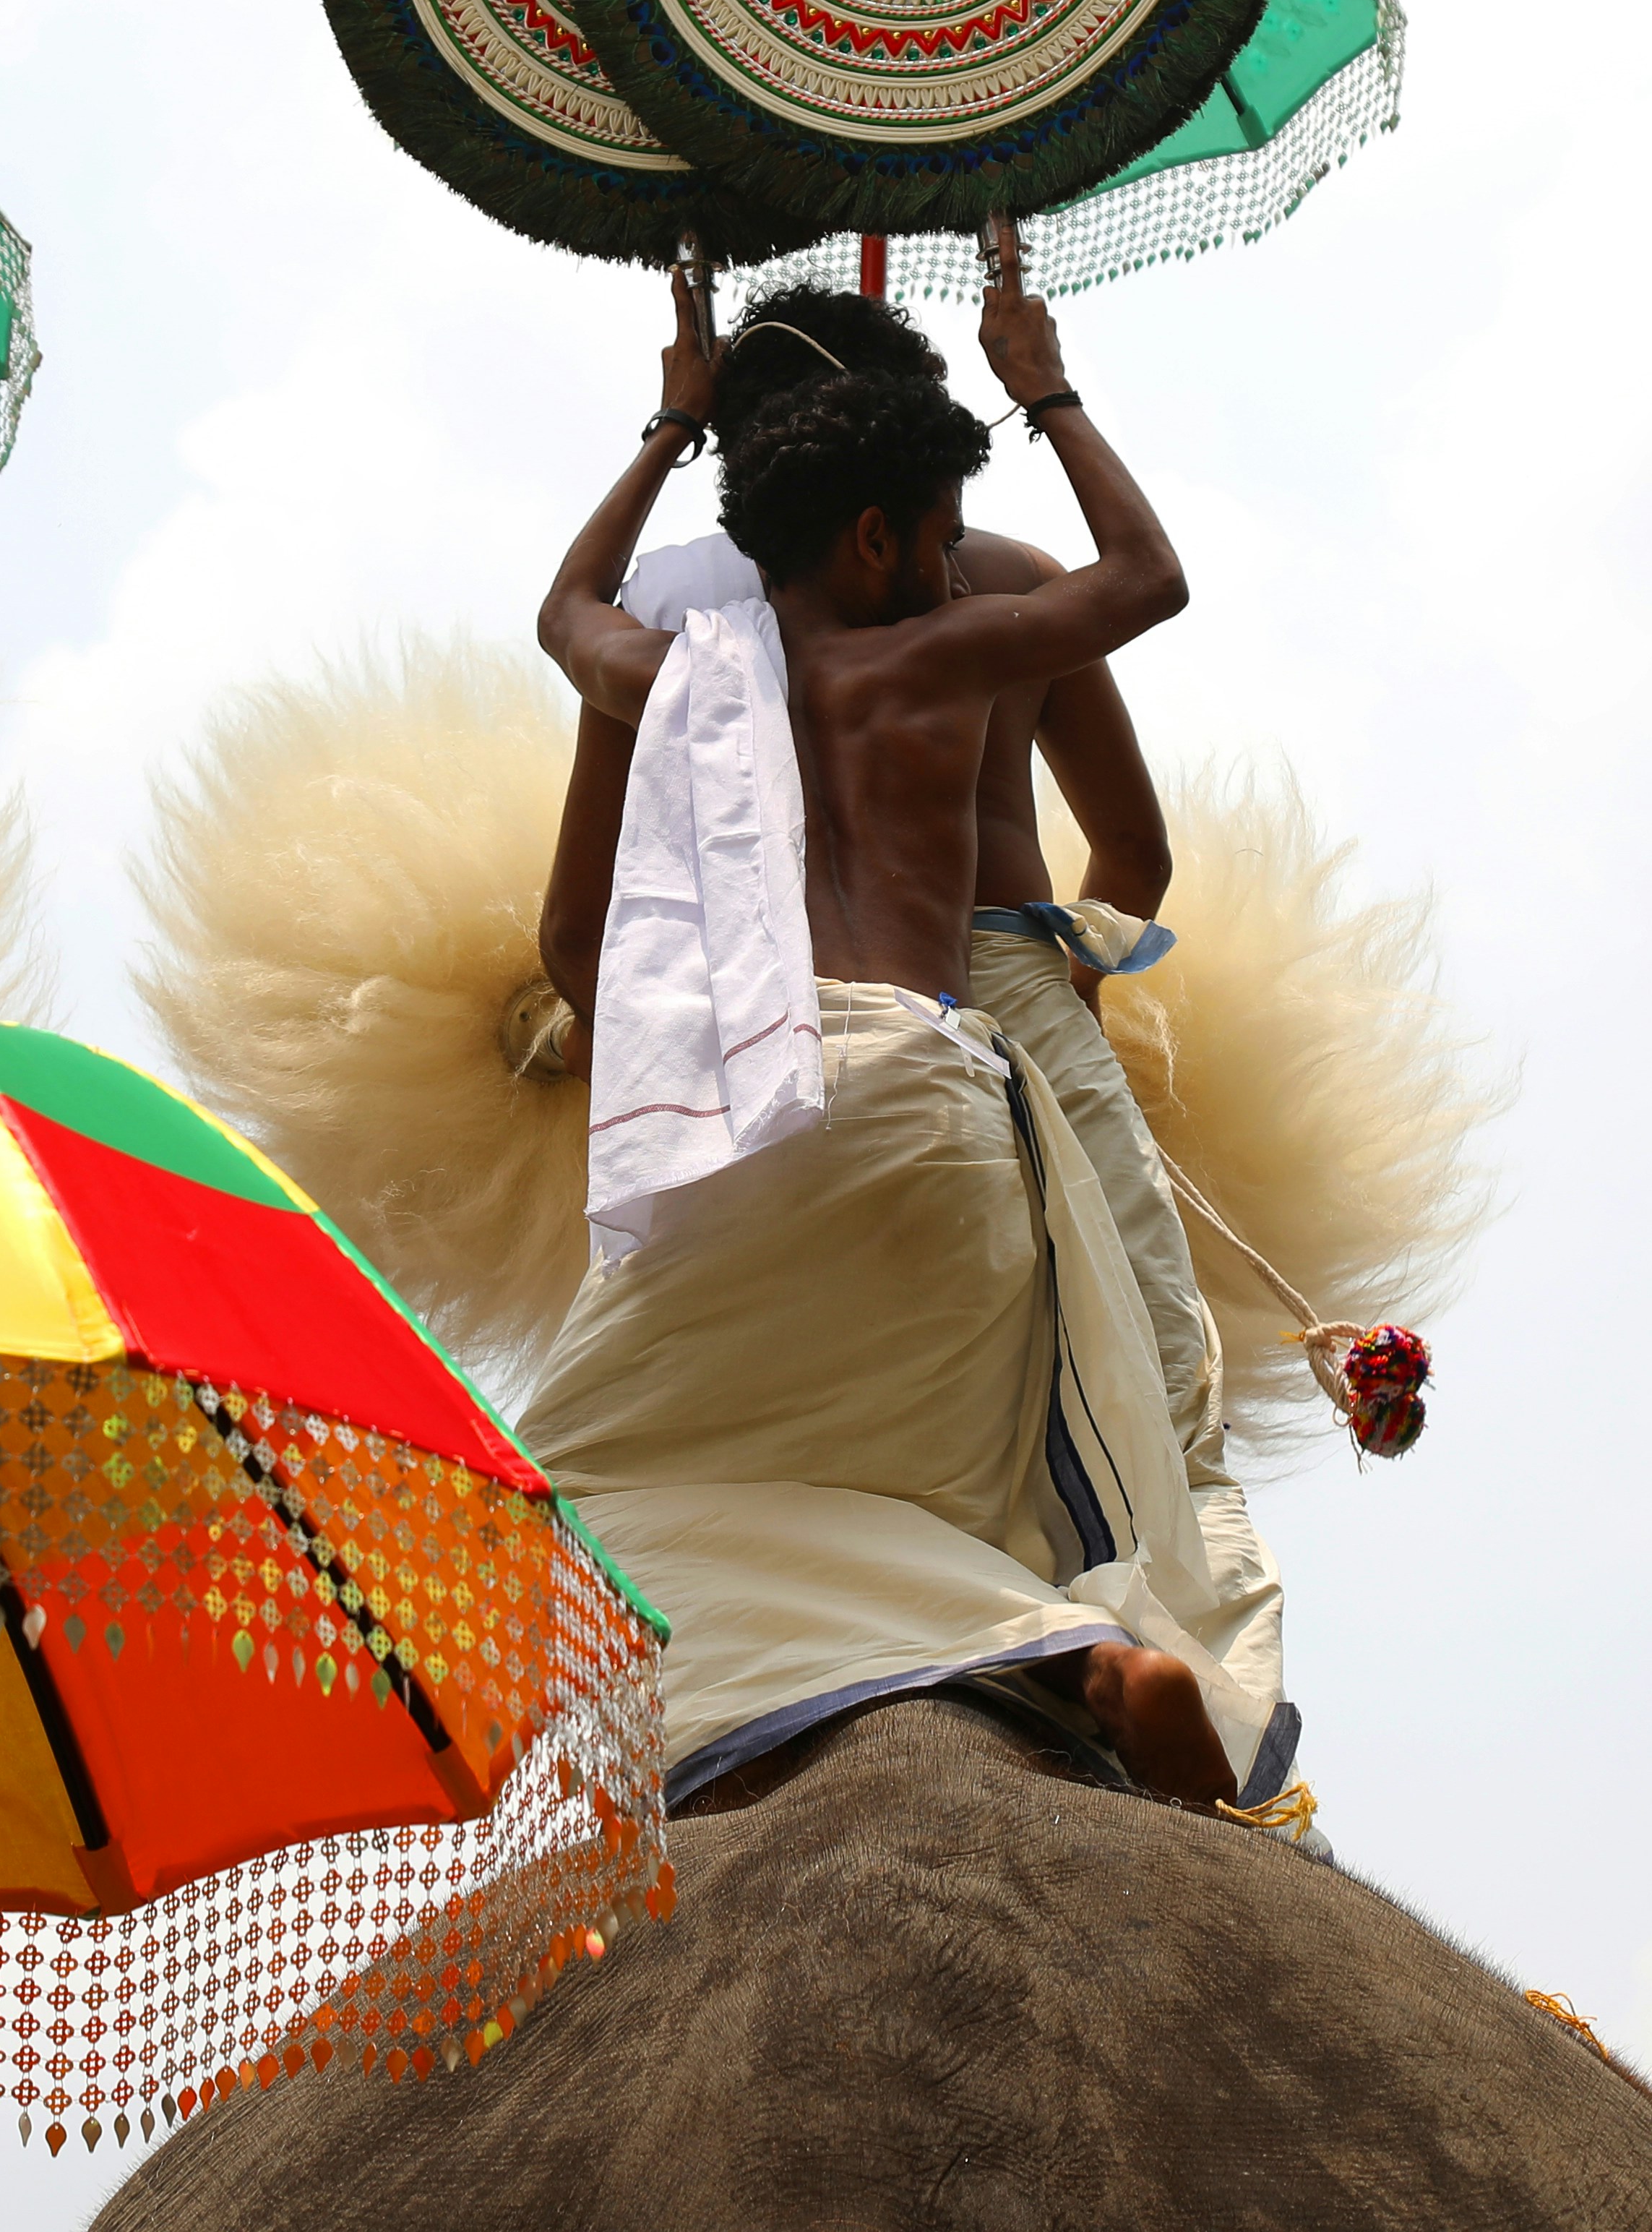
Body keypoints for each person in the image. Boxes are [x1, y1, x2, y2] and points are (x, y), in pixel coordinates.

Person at [523, 225, 1268, 1814]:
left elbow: (559, 627)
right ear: (878, 522)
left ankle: (921, 1683)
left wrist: (663, 416)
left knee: (572, 1493)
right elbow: (1147, 603)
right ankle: (1094, 1662)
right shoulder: (953, 636)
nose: (948, 555)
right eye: (931, 529)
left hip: (748, 1095)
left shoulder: (669, 667)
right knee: (1019, 1466)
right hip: (963, 1084)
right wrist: (1044, 384)